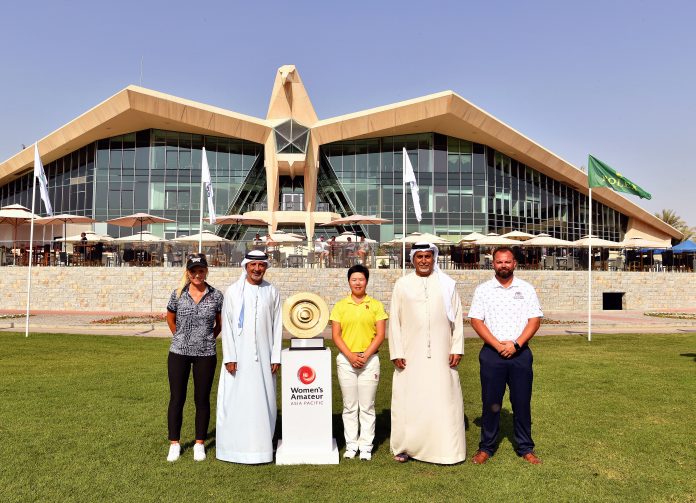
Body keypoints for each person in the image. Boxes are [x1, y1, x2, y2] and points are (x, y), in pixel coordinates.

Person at [388, 242, 465, 464]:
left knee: (443, 399)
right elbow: (395, 320)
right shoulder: (402, 284)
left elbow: (458, 319)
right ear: (412, 259)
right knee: (409, 400)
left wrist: (456, 347)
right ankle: (406, 447)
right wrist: (397, 351)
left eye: (427, 256)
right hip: (410, 355)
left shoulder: (447, 284)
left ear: (434, 258)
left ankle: (446, 450)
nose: (423, 260)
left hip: (442, 353)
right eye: (419, 256)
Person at [467, 246, 543, 465]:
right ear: (493, 264)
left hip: (520, 354)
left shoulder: (526, 289)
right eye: (499, 262)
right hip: (492, 354)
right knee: (491, 403)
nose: (503, 265)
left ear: (514, 263)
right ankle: (486, 448)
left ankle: (525, 448)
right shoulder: (483, 290)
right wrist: (497, 345)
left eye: (507, 262)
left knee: (521, 402)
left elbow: (534, 320)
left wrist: (516, 344)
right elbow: (476, 320)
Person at [216, 250, 282, 464]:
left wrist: (275, 356)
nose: (257, 269)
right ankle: (233, 449)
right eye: (253, 265)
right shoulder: (233, 291)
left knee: (264, 401)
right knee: (236, 400)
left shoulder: (271, 291)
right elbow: (226, 326)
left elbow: (277, 325)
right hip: (238, 360)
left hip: (264, 358)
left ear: (265, 267)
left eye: (261, 265)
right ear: (245, 266)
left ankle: (262, 449)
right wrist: (230, 356)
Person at [165, 254, 223, 462]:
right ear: (187, 273)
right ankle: (174, 443)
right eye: (193, 271)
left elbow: (219, 324)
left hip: (206, 354)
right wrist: (181, 337)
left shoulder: (216, 296)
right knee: (177, 398)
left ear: (206, 271)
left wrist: (206, 339)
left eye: (201, 270)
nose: (197, 274)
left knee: (202, 399)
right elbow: (170, 318)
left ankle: (200, 443)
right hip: (178, 352)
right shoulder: (178, 294)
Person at [330, 264, 388, 461]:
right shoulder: (340, 306)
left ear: (366, 281)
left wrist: (365, 355)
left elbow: (380, 334)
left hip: (370, 360)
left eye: (361, 279)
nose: (357, 283)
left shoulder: (376, 305)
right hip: (346, 361)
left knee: (367, 406)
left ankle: (365, 447)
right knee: (349, 406)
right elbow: (336, 336)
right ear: (349, 281)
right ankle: (351, 445)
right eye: (354, 279)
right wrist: (351, 356)